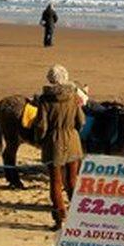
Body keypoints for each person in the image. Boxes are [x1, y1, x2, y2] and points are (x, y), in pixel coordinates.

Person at [34, 65, 85, 230]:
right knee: (72, 180)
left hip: (53, 142)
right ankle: (78, 215)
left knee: (56, 182)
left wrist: (39, 139)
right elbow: (81, 121)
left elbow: (42, 126)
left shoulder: (45, 100)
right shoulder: (74, 97)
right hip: (72, 141)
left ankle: (60, 217)